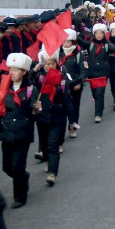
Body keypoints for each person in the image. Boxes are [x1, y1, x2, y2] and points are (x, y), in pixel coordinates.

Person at [0, 53, 39, 208]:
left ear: (24, 72)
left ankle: (20, 197)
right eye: (11, 70)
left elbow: (34, 111)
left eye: (16, 70)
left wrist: (36, 110)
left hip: (23, 133)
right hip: (6, 132)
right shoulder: (4, 89)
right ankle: (23, 177)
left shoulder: (29, 90)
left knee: (17, 166)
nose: (12, 73)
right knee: (7, 167)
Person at [32, 50, 71, 186]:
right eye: (46, 64)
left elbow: (67, 100)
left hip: (57, 116)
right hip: (42, 117)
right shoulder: (39, 78)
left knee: (53, 145)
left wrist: (72, 121)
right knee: (44, 144)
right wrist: (36, 68)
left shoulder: (61, 79)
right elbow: (28, 79)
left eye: (52, 63)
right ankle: (47, 160)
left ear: (56, 64)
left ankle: (52, 172)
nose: (49, 66)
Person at [59, 29, 85, 138]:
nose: (66, 44)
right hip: (62, 86)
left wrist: (79, 82)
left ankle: (72, 127)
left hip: (75, 85)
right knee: (62, 109)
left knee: (74, 107)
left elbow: (83, 71)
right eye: (64, 41)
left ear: (73, 42)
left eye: (68, 41)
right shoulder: (58, 54)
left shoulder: (79, 54)